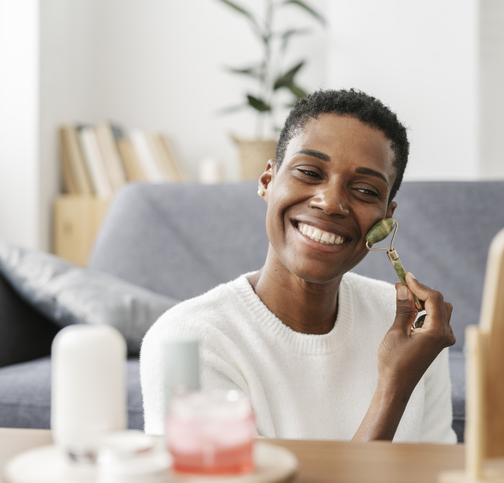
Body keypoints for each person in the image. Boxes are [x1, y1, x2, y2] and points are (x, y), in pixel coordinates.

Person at [140, 89, 456, 443]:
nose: (331, 202)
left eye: (365, 191)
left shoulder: (415, 333)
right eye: (308, 172)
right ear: (267, 182)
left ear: (386, 218)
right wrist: (393, 389)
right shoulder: (190, 342)